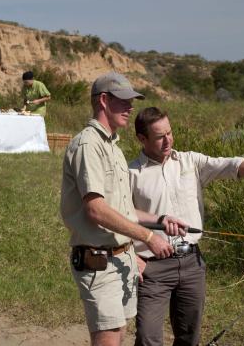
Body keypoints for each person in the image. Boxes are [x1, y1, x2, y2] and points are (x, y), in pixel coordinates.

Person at [129, 107, 244, 346]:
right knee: (147, 337)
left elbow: (230, 165)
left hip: (192, 264)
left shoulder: (190, 161)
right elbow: (119, 217)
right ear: (142, 139)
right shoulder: (131, 173)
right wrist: (133, 256)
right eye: (160, 137)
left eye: (170, 133)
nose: (168, 141)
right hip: (152, 269)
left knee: (189, 336)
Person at [60, 73, 187, 346]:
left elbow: (123, 209)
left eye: (132, 101)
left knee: (118, 335)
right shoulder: (88, 145)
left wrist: (160, 220)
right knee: (108, 338)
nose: (130, 108)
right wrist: (148, 237)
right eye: (124, 101)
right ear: (104, 101)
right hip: (98, 261)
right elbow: (96, 209)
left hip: (121, 260)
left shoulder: (113, 146)